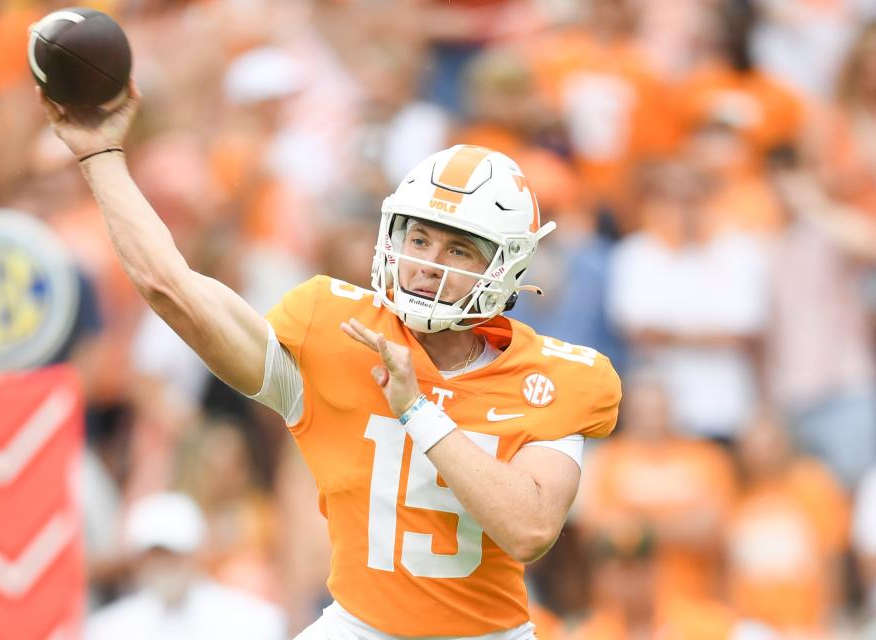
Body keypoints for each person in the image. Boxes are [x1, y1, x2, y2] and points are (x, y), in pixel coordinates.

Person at [40, 84, 621, 639]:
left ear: (507, 268)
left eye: (458, 248)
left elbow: (529, 529)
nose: (428, 263)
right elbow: (172, 288)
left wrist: (416, 408)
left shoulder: (555, 376)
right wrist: (100, 153)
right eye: (418, 239)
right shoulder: (334, 326)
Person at [85, 492, 286, 640]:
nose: (163, 567)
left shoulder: (253, 623)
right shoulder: (107, 629)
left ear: (195, 554)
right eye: (155, 557)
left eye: (172, 556)